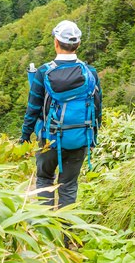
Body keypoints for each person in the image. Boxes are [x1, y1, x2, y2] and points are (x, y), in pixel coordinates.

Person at [20, 20, 103, 213]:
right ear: (78, 44)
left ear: (56, 42)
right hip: (80, 138)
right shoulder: (90, 72)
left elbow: (33, 108)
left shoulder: (43, 72)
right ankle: (67, 237)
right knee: (68, 186)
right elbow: (97, 107)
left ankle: (46, 231)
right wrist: (92, 137)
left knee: (45, 179)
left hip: (50, 139)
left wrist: (25, 135)